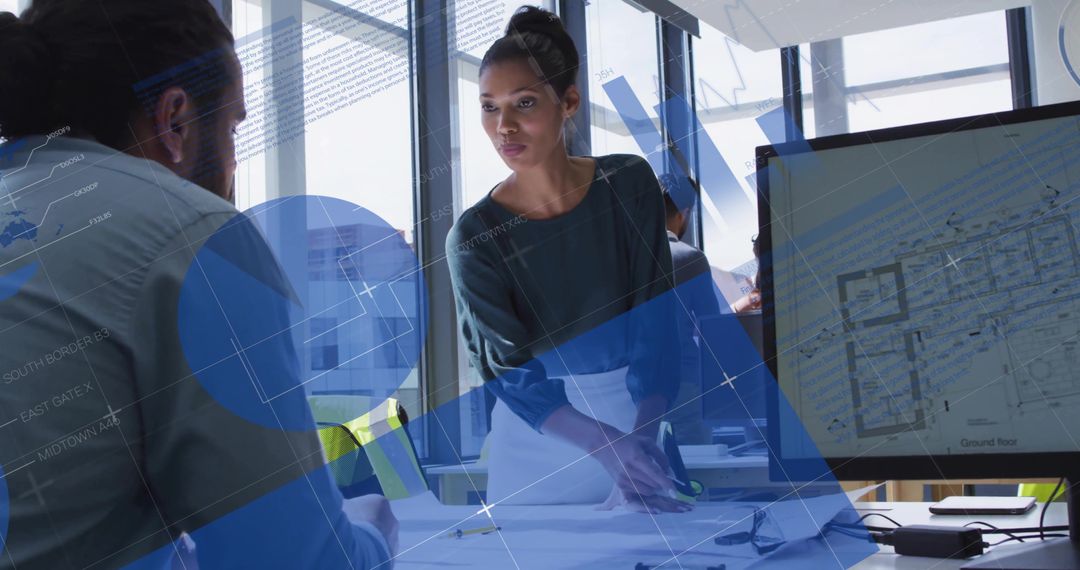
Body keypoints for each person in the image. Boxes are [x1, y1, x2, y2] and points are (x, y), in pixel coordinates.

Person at [0, 2, 395, 568]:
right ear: (176, 121)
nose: (233, 161)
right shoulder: (194, 236)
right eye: (233, 127)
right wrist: (371, 534)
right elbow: (289, 560)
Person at [446, 6, 688, 514]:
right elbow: (509, 373)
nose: (503, 127)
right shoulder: (474, 236)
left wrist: (638, 443)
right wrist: (609, 447)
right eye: (489, 107)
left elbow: (657, 328)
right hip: (538, 449)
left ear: (569, 101)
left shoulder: (628, 185)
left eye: (524, 103)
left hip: (636, 426)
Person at [658, 174, 721, 444]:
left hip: (628, 386)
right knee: (693, 474)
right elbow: (711, 326)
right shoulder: (689, 258)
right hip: (681, 382)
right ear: (684, 213)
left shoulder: (623, 259)